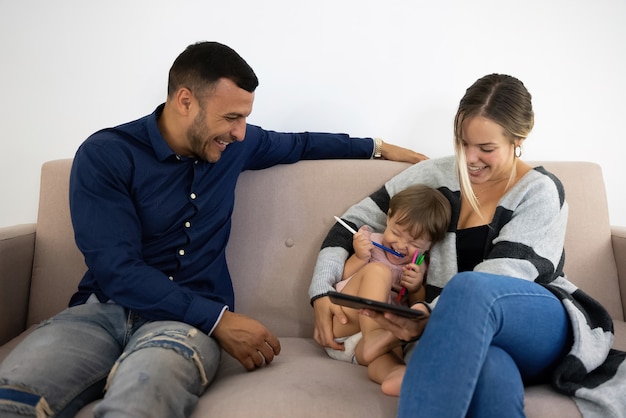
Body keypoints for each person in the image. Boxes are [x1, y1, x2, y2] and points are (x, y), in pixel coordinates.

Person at [0, 41, 426, 418]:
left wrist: (380, 147)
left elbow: (301, 142)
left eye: (245, 118)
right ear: (185, 100)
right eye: (231, 117)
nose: (241, 133)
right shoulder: (107, 155)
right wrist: (218, 320)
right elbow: (116, 268)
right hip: (100, 313)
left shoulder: (236, 145)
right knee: (14, 395)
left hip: (182, 331)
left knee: (141, 404)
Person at [310, 73, 626, 417]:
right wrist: (321, 291)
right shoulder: (435, 175)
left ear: (519, 138)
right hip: (456, 333)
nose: (470, 158)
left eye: (486, 148)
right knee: (491, 370)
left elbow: (505, 274)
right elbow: (351, 223)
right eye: (463, 143)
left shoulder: (540, 190)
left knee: (473, 286)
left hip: (538, 321)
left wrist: (429, 313)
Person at [324, 185, 450, 395]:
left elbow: (414, 306)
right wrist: (359, 257)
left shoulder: (420, 267)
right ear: (388, 218)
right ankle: (375, 335)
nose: (400, 245)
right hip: (345, 323)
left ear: (430, 245)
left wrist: (416, 287)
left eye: (413, 242)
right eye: (397, 233)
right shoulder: (370, 242)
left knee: (390, 353)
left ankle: (398, 375)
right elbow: (342, 279)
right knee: (378, 272)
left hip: (366, 347)